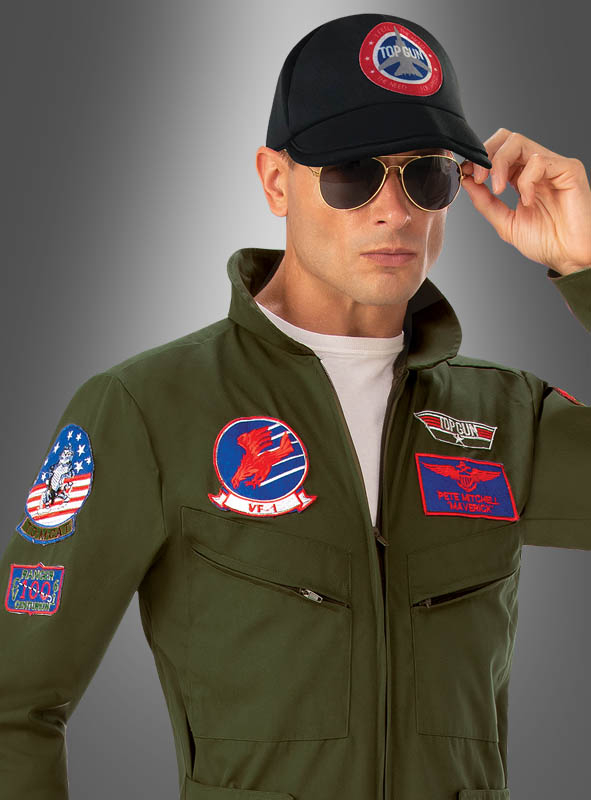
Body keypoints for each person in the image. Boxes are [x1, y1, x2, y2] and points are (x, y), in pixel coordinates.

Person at [0, 11, 589, 800]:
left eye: (425, 176)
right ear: (276, 180)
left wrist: (586, 266)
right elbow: (14, 703)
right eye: (351, 172)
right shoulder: (147, 408)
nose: (394, 211)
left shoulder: (504, 418)